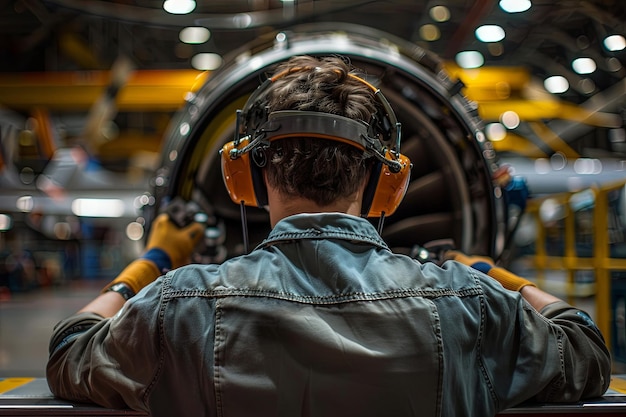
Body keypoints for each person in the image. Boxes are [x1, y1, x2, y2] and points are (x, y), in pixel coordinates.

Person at [46, 55, 611, 417]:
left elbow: (71, 349)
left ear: (248, 173)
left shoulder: (178, 307)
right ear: (384, 181)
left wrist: (152, 261)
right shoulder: (467, 304)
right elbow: (583, 347)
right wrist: (488, 272)